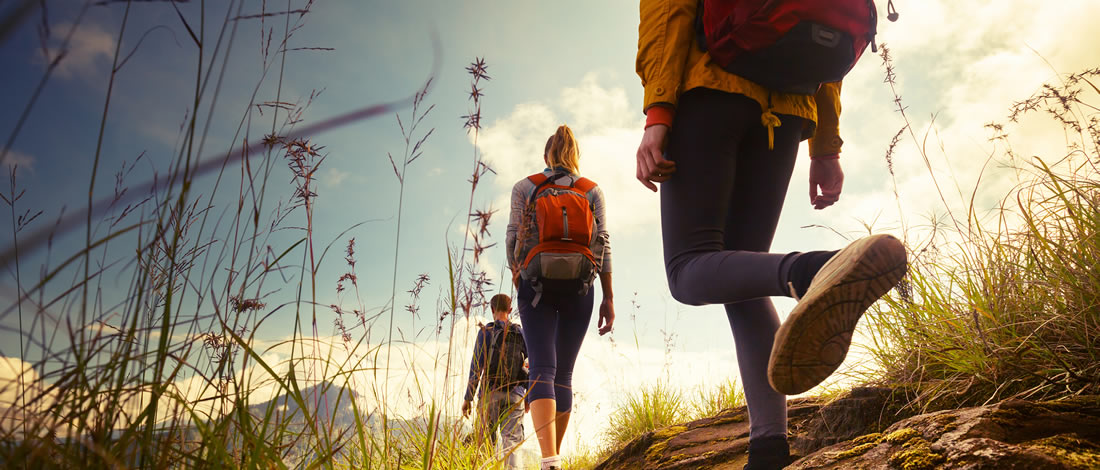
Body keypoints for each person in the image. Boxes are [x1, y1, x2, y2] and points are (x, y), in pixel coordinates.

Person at [635, 1, 908, 469]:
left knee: (688, 270)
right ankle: (768, 451)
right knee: (742, 279)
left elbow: (668, 12)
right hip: (789, 108)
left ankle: (814, 269)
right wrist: (825, 145)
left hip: (711, 90)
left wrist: (658, 113)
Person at [506, 125, 615, 470]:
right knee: (563, 374)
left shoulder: (526, 186)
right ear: (575, 156)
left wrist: (518, 272)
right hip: (581, 288)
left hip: (534, 286)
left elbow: (512, 239)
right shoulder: (591, 190)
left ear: (546, 156)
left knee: (541, 368)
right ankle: (553, 459)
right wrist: (608, 298)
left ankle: (549, 458)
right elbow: (605, 246)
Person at [462, 294, 529, 470]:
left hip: (489, 394)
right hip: (515, 395)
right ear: (510, 309)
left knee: (485, 443)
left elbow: (476, 366)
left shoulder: (486, 332)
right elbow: (531, 365)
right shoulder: (521, 333)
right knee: (512, 442)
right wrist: (528, 397)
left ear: (492, 310)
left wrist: (468, 398)